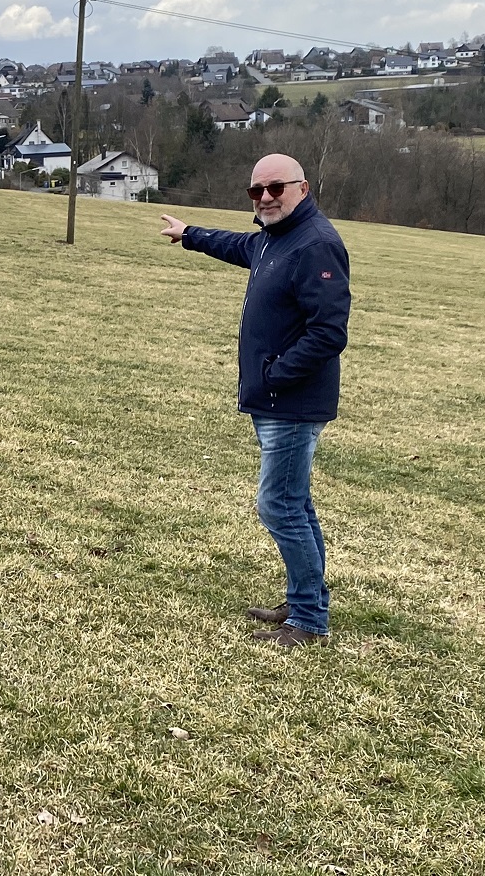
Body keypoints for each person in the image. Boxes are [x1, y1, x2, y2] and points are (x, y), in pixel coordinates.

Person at [158, 154, 351, 649]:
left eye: (275, 188)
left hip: (291, 402)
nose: (265, 197)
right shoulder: (274, 239)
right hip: (274, 399)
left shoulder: (316, 245)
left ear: (302, 188)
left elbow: (328, 333)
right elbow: (239, 244)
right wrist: (190, 233)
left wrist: (274, 377)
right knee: (295, 503)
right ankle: (304, 598)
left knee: (278, 505)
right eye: (256, 190)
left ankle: (308, 620)